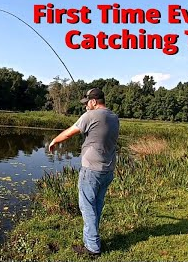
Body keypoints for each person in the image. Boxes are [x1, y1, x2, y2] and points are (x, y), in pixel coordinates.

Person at [48, 88, 120, 256]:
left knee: (87, 207)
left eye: (87, 103)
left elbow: (69, 133)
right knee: (97, 205)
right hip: (108, 170)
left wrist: (54, 141)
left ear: (94, 101)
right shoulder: (114, 117)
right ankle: (93, 239)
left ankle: (92, 248)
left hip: (91, 170)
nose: (85, 106)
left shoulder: (90, 116)